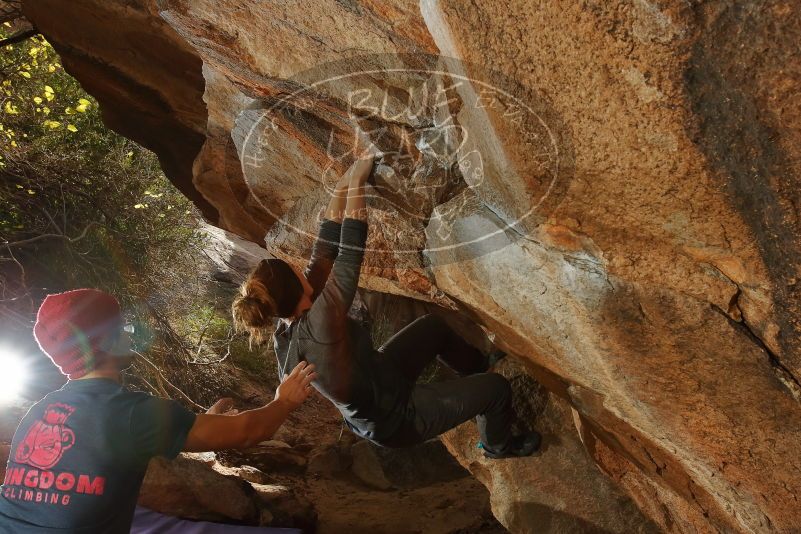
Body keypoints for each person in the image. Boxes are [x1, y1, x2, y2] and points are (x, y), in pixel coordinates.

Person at [232, 145, 541, 459]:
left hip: (383, 375)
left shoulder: (289, 323)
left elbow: (325, 251)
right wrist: (358, 183)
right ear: (294, 285)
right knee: (496, 389)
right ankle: (497, 446)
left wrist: (343, 185)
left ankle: (475, 367)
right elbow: (351, 251)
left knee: (433, 327)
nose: (302, 269)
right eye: (295, 270)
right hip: (398, 418)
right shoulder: (320, 322)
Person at [0, 288, 316, 533]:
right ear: (108, 343)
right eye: (122, 326)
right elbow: (250, 432)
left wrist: (202, 422)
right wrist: (284, 401)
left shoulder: (39, 411)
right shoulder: (130, 413)